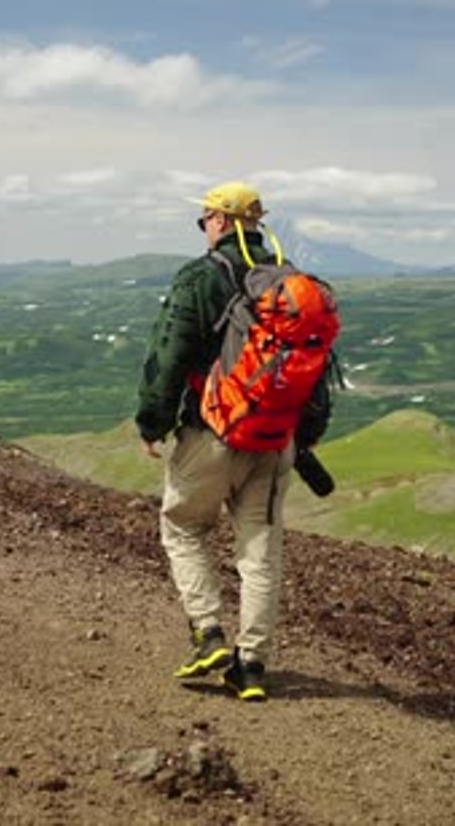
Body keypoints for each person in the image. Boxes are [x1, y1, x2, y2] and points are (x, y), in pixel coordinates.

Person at [136, 181, 297, 702]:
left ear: (223, 221)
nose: (202, 227)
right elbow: (313, 367)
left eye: (204, 218)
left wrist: (151, 422)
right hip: (275, 439)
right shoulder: (289, 281)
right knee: (260, 553)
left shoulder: (201, 277)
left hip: (212, 433)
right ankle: (251, 667)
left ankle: (208, 635)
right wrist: (303, 435)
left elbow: (170, 351)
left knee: (182, 527)